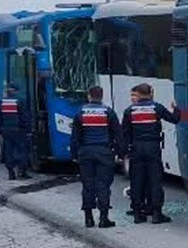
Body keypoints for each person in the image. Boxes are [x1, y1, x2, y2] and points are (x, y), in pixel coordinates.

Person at [122, 83, 180, 224]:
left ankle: (137, 214)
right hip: (153, 148)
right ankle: (156, 214)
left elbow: (125, 133)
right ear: (150, 93)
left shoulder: (130, 110)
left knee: (137, 181)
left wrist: (125, 151)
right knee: (155, 181)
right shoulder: (157, 108)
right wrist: (176, 109)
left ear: (139, 94)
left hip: (136, 149)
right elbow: (174, 119)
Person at [71, 86, 125, 229]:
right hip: (104, 153)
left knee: (87, 185)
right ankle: (103, 218)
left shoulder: (80, 112)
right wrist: (121, 154)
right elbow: (118, 134)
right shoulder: (108, 112)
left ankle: (88, 218)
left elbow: (75, 136)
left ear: (89, 96)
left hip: (86, 152)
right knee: (103, 185)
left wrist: (75, 154)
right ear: (101, 96)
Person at [0, 84, 32, 180]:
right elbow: (25, 117)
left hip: (6, 131)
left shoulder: (2, 102)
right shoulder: (20, 101)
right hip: (19, 130)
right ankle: (22, 171)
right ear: (16, 91)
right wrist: (28, 130)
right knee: (22, 150)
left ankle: (11, 172)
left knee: (9, 151)